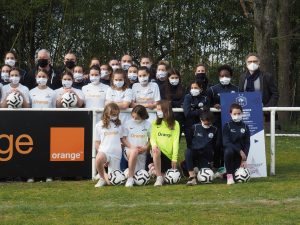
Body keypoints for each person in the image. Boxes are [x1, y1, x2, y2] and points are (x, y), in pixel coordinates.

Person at [207, 65, 239, 169]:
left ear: (230, 76)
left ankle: (230, 166)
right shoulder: (212, 89)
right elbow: (207, 104)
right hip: (217, 121)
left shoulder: (237, 89)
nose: (224, 77)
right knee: (217, 144)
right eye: (222, 76)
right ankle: (217, 166)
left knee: (230, 144)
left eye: (226, 75)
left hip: (232, 121)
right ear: (218, 76)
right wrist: (213, 106)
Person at [94, 103, 125, 187]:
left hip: (116, 154)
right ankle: (102, 178)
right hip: (104, 152)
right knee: (99, 158)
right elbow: (97, 142)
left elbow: (122, 140)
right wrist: (100, 153)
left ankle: (106, 177)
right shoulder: (98, 125)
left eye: (116, 114)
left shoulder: (120, 125)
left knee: (112, 182)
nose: (115, 116)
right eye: (113, 114)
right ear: (106, 113)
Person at [150, 100, 180, 186]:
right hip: (158, 153)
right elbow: (152, 138)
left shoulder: (175, 124)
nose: (158, 111)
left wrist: (174, 158)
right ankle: (158, 177)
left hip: (169, 156)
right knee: (155, 151)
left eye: (160, 109)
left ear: (166, 110)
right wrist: (154, 146)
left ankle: (153, 170)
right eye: (157, 109)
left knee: (170, 179)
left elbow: (175, 141)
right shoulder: (154, 123)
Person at [185, 112, 218, 185]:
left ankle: (197, 170)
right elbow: (189, 142)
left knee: (206, 173)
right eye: (205, 124)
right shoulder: (195, 127)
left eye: (209, 124)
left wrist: (212, 160)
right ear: (201, 120)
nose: (207, 125)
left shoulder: (215, 130)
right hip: (194, 153)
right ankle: (192, 177)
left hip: (205, 155)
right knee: (188, 151)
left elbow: (215, 145)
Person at [122, 105, 151, 187]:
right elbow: (123, 139)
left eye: (137, 118)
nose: (134, 119)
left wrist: (145, 147)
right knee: (134, 151)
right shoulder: (127, 123)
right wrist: (132, 147)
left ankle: (127, 173)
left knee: (139, 173)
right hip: (129, 150)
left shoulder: (148, 125)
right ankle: (130, 179)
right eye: (133, 117)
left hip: (142, 151)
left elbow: (151, 140)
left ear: (143, 116)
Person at [223, 103, 250, 185]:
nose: (237, 115)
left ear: (242, 113)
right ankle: (229, 176)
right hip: (231, 153)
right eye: (234, 114)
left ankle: (223, 175)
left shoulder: (245, 126)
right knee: (228, 151)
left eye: (239, 113)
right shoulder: (227, 126)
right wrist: (239, 151)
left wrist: (244, 159)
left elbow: (247, 143)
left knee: (237, 177)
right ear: (230, 114)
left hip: (240, 156)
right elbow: (226, 142)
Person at [183, 80, 210, 148]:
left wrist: (194, 110)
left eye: (196, 88)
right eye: (192, 88)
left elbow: (206, 112)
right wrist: (199, 111)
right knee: (190, 146)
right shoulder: (187, 97)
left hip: (201, 126)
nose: (193, 89)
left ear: (201, 89)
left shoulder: (205, 98)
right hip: (189, 126)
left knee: (202, 146)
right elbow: (187, 113)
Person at [164, 68, 185, 137]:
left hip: (179, 120)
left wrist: (171, 103)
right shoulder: (163, 88)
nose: (174, 79)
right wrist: (175, 103)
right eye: (172, 77)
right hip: (166, 118)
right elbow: (163, 103)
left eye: (176, 77)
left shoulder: (183, 88)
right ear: (168, 78)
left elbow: (183, 102)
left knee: (176, 141)